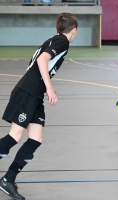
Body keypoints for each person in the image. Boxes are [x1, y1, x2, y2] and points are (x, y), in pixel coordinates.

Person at [0, 13, 78, 200]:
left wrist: (45, 86)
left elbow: (32, 66)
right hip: (27, 93)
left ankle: (7, 180)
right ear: (74, 31)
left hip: (34, 94)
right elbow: (42, 60)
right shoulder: (63, 41)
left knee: (36, 138)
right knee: (15, 136)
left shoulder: (52, 39)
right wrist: (49, 88)